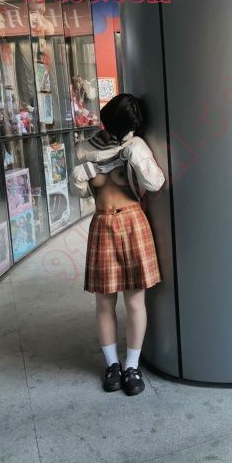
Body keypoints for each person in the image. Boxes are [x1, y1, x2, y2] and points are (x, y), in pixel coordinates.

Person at [71, 93, 165, 396]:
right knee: (104, 301)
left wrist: (135, 156)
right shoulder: (85, 149)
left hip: (134, 221)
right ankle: (112, 364)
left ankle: (132, 366)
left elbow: (155, 183)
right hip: (102, 223)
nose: (125, 134)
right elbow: (80, 195)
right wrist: (78, 179)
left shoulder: (135, 145)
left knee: (135, 300)